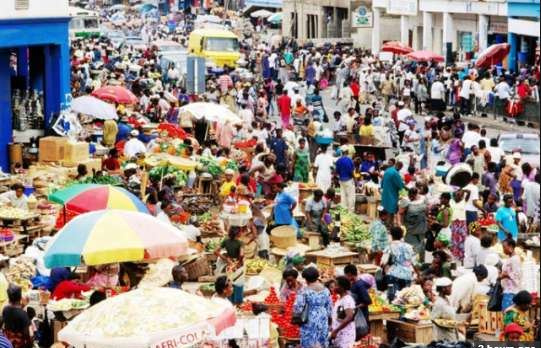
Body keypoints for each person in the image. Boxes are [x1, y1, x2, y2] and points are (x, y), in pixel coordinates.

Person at [293, 267, 332, 348]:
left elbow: (298, 308)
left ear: (306, 279)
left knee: (309, 342)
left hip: (309, 319)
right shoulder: (326, 290)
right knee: (321, 342)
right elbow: (329, 308)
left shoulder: (304, 292)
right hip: (323, 318)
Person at [383, 226, 415, 300]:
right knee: (405, 298)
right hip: (407, 275)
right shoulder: (409, 247)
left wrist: (384, 270)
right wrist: (418, 274)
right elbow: (414, 262)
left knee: (393, 298)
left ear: (391, 235)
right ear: (401, 235)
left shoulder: (389, 246)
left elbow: (383, 262)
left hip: (393, 275)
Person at [399, 187, 428, 258]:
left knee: (421, 245)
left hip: (421, 227)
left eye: (412, 196)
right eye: (409, 196)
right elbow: (400, 213)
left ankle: (420, 263)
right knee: (411, 248)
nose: (410, 198)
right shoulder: (405, 201)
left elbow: (426, 210)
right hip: (411, 228)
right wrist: (401, 224)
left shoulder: (423, 199)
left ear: (416, 195)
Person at [330, 276, 356, 348]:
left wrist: (336, 330)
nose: (334, 287)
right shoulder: (340, 299)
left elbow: (349, 317)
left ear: (342, 287)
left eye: (336, 285)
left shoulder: (347, 300)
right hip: (340, 335)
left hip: (345, 336)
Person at [501, 238, 522, 310]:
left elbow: (517, 274)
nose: (503, 249)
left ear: (510, 247)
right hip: (507, 290)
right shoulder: (510, 258)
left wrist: (505, 275)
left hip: (511, 292)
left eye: (504, 247)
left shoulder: (515, 259)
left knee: (508, 314)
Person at [335, 146, 356, 212]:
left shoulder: (338, 160)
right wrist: (355, 179)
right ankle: (350, 211)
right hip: (349, 180)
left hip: (341, 180)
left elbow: (337, 171)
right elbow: (351, 172)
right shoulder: (349, 160)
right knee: (350, 196)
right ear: (347, 152)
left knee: (343, 196)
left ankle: (344, 211)